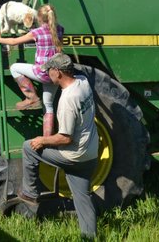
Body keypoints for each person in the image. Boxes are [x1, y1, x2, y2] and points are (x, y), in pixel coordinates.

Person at [17, 53, 99, 239]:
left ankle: (30, 193)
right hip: (90, 154)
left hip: (74, 156)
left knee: (28, 147)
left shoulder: (67, 101)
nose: (47, 75)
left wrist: (42, 140)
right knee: (82, 198)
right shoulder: (83, 82)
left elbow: (64, 139)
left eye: (50, 71)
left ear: (59, 72)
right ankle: (89, 237)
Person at [0, 3, 64, 136]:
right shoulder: (60, 29)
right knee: (48, 106)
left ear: (39, 18)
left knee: (14, 68)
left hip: (42, 73)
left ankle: (31, 97)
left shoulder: (36, 32)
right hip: (56, 74)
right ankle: (47, 139)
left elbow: (14, 42)